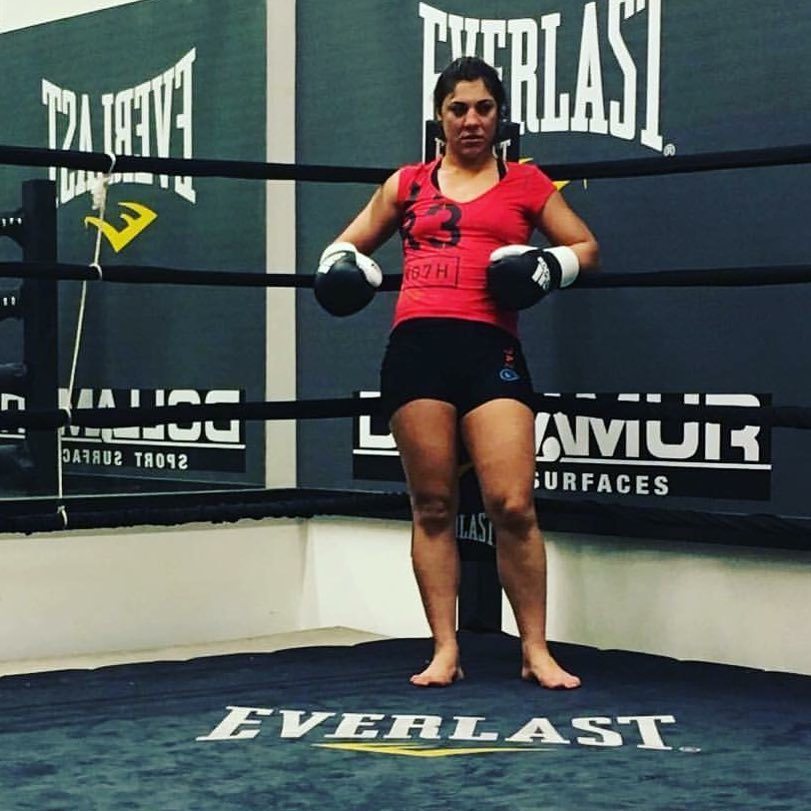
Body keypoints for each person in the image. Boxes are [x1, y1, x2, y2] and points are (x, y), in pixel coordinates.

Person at [314, 56, 599, 689]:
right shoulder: (407, 184)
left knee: (513, 504)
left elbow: (587, 247)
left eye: (483, 108)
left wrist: (549, 267)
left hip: (491, 349)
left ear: (500, 116)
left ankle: (535, 650)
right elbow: (343, 246)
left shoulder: (526, 183)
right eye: (458, 109)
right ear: (440, 118)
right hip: (418, 349)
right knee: (434, 505)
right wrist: (342, 270)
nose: (471, 120)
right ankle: (445, 649)